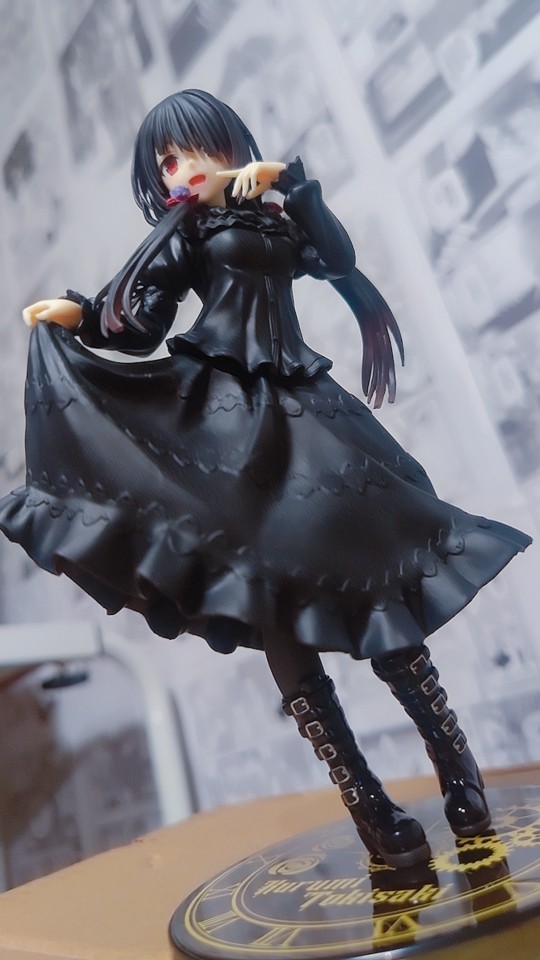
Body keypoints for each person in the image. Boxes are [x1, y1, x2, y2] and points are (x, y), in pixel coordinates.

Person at [0, 89, 531, 868]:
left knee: (379, 568)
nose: (181, 169)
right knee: (266, 593)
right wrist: (79, 317)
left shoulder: (276, 211)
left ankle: (458, 768)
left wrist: (290, 182)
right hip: (222, 424)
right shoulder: (187, 229)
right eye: (166, 161)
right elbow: (142, 322)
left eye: (192, 149)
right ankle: (368, 804)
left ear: (228, 142)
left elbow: (336, 259)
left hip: (309, 408)